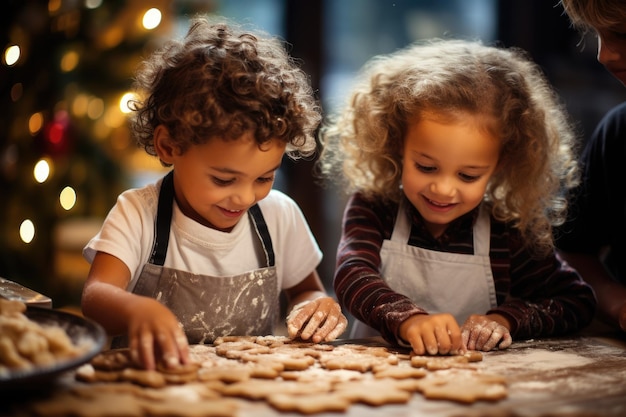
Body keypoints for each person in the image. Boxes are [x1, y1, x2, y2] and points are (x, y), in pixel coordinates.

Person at [81, 17, 347, 370]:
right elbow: (95, 296)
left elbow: (305, 291)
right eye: (224, 180)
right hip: (154, 388)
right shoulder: (139, 213)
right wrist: (136, 310)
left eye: (264, 177)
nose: (245, 197)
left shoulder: (278, 215)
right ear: (169, 145)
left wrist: (314, 307)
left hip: (248, 392)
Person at [318, 38, 596, 356]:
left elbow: (576, 301)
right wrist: (407, 320)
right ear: (397, 145)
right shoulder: (375, 207)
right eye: (426, 166)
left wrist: (506, 318)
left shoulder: (507, 233)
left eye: (468, 176)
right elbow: (353, 274)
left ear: (501, 165)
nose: (443, 189)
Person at [556, 0, 626, 332]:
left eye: (622, 34)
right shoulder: (619, 132)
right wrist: (617, 303)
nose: (605, 55)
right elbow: (572, 252)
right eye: (597, 34)